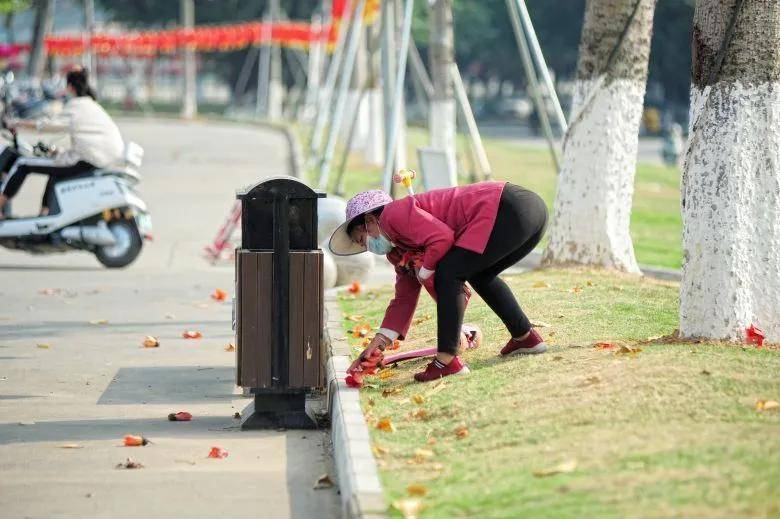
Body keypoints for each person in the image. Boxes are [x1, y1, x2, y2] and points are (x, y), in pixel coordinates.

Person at [330, 181, 549, 382]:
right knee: (479, 274)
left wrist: (426, 271)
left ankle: (446, 361)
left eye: (363, 239)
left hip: (509, 206)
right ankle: (525, 338)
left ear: (370, 220)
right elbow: (403, 299)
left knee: (448, 272)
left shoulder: (393, 214)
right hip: (531, 212)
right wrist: (379, 342)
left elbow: (442, 238)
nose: (369, 247)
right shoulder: (399, 252)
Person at [0, 67, 124, 217]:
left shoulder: (77, 106)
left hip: (88, 160)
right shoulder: (91, 105)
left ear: (70, 87)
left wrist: (17, 123)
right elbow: (86, 139)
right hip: (99, 159)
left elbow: (49, 125)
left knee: (22, 163)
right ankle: (44, 215)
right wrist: (60, 152)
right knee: (55, 172)